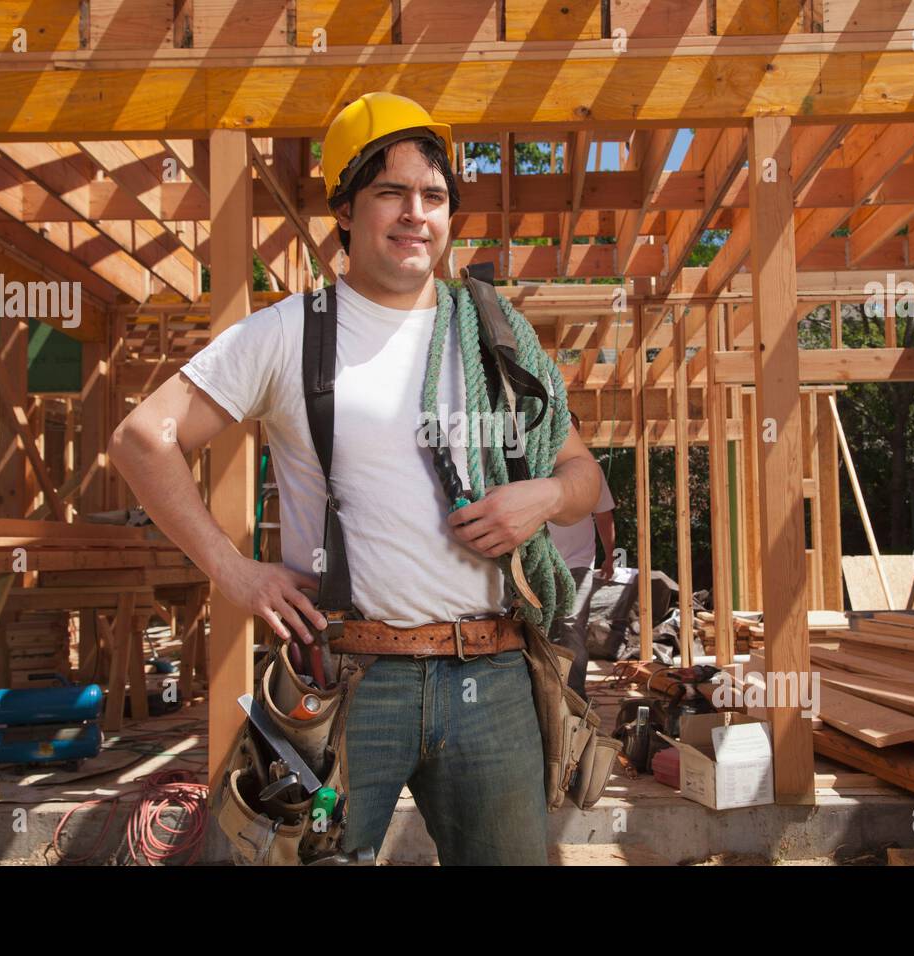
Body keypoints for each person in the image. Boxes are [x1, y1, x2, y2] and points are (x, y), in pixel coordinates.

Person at [108, 92, 602, 865]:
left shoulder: (494, 332)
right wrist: (230, 571)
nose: (416, 214)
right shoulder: (288, 333)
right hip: (349, 679)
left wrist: (543, 498)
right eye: (391, 193)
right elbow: (144, 438)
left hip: (493, 673)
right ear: (344, 208)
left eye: (434, 197)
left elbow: (581, 473)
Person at [545, 416, 616, 700]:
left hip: (577, 564)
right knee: (545, 631)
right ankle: (549, 696)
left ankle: (574, 701)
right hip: (540, 566)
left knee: (572, 628)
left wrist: (610, 556)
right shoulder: (535, 467)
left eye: (568, 428)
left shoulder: (591, 472)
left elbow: (604, 515)